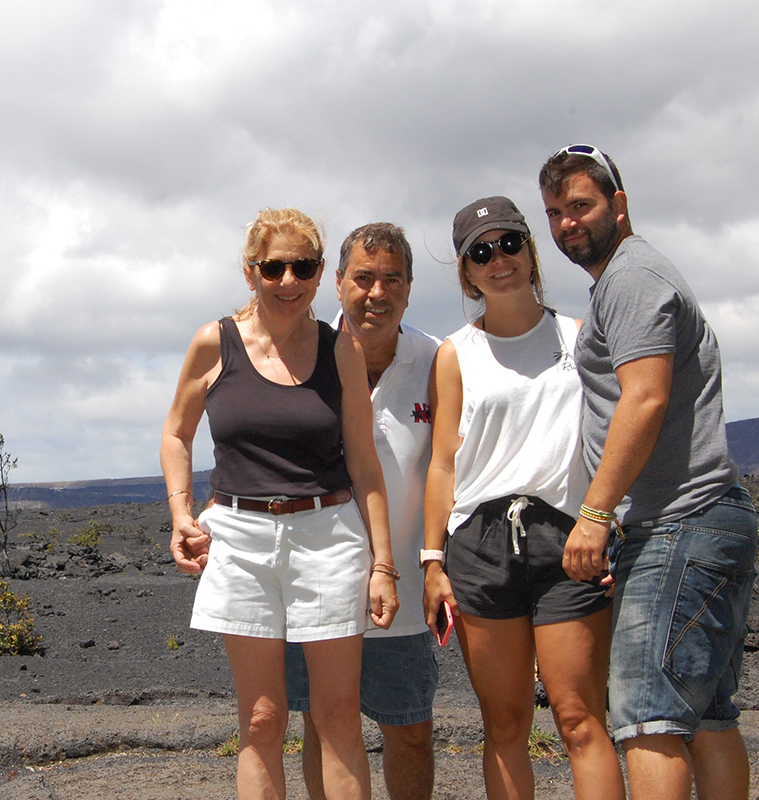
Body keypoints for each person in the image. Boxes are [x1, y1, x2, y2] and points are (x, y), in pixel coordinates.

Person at [539, 144, 758, 800]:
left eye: (580, 205)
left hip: (677, 524)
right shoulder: (631, 277)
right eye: (555, 212)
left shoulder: (632, 277)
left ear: (619, 204)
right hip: (706, 516)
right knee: (708, 715)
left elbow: (646, 396)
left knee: (648, 717)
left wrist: (596, 513)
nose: (567, 223)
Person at [160, 207, 399, 800]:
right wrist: (181, 512)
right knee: (262, 720)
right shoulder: (213, 343)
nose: (288, 281)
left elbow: (366, 464)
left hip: (329, 535)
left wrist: (383, 564)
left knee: (338, 716)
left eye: (303, 267)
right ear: (251, 272)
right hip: (238, 538)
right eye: (274, 268)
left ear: (321, 274)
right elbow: (175, 434)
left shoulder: (339, 349)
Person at [423, 196, 625, 800]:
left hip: (570, 542)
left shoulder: (580, 338)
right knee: (505, 723)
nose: (498, 260)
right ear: (466, 271)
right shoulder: (455, 354)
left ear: (530, 250)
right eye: (480, 252)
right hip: (481, 546)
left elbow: (613, 439)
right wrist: (432, 561)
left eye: (509, 243)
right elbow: (442, 463)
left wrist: (612, 525)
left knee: (579, 718)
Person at [285, 222, 441, 800]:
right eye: (364, 278)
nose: (377, 292)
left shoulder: (436, 361)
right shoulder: (307, 355)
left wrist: (435, 563)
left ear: (409, 286)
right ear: (339, 284)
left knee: (411, 732)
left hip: (401, 589)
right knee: (323, 728)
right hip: (315, 583)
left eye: (391, 279)